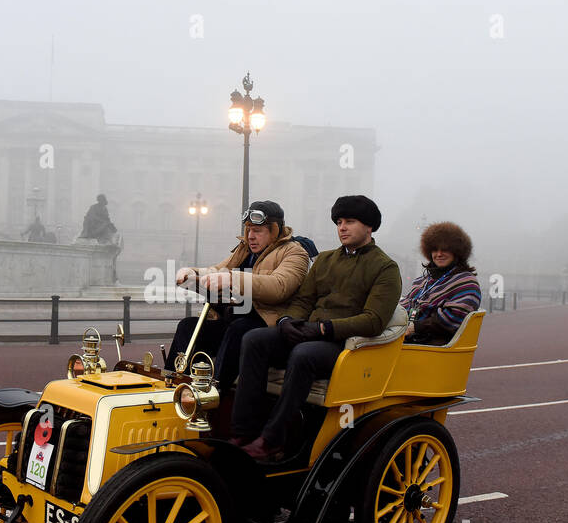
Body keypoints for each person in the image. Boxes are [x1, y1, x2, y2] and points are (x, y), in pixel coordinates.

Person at [230, 195, 402, 461]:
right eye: (339, 222)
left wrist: (324, 329)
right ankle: (243, 431)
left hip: (344, 345)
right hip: (310, 333)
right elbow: (303, 300)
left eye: (350, 222)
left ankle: (272, 440)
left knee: (304, 355)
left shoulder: (385, 267)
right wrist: (287, 322)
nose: (342, 227)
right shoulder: (325, 260)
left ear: (369, 227)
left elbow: (373, 320)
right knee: (255, 339)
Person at [166, 200, 308, 388]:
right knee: (188, 326)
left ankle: (213, 391)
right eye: (248, 230)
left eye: (257, 231)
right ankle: (173, 383)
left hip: (268, 323)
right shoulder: (244, 250)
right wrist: (193, 274)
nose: (250, 236)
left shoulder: (295, 253)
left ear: (274, 231)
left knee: (238, 329)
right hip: (237, 319)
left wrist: (233, 279)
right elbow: (218, 270)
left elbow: (279, 287)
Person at [400, 222, 482, 345]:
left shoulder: (467, 282)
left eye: (445, 249)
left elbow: (453, 318)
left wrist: (414, 327)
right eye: (435, 249)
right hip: (408, 341)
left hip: (432, 347)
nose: (439, 254)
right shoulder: (421, 281)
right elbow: (403, 307)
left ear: (457, 251)